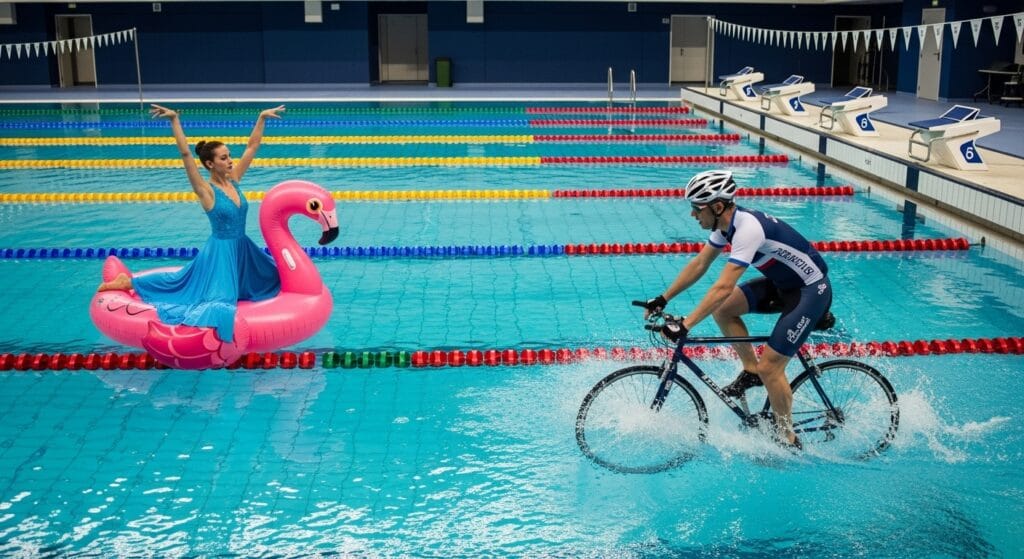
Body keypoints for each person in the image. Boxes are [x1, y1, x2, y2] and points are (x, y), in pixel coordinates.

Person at [642, 169, 834, 450]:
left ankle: (788, 438)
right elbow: (700, 264)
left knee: (770, 367)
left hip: (810, 291)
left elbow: (722, 287)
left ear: (717, 207)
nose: (693, 215)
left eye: (697, 208)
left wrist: (686, 324)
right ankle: (750, 371)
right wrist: (663, 298)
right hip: (783, 285)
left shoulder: (748, 229)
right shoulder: (724, 227)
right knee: (724, 311)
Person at [97, 103, 287, 343]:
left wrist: (261, 118)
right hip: (221, 253)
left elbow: (252, 147)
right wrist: (174, 120)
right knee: (216, 300)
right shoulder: (206, 191)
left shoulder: (234, 180)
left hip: (243, 249)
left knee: (274, 276)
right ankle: (130, 281)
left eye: (230, 156)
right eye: (224, 158)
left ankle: (133, 280)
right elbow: (186, 154)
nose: (230, 161)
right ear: (210, 164)